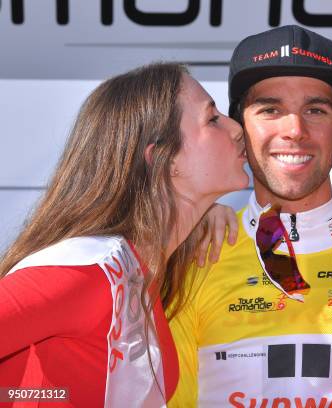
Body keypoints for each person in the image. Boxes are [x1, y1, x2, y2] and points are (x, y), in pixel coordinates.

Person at [168, 25, 332, 406]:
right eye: (271, 110)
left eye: (315, 110)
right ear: (238, 131)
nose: (294, 130)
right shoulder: (192, 254)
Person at [0, 62, 249, 406]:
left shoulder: (144, 276)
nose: (237, 129)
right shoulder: (89, 271)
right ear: (163, 159)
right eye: (212, 119)